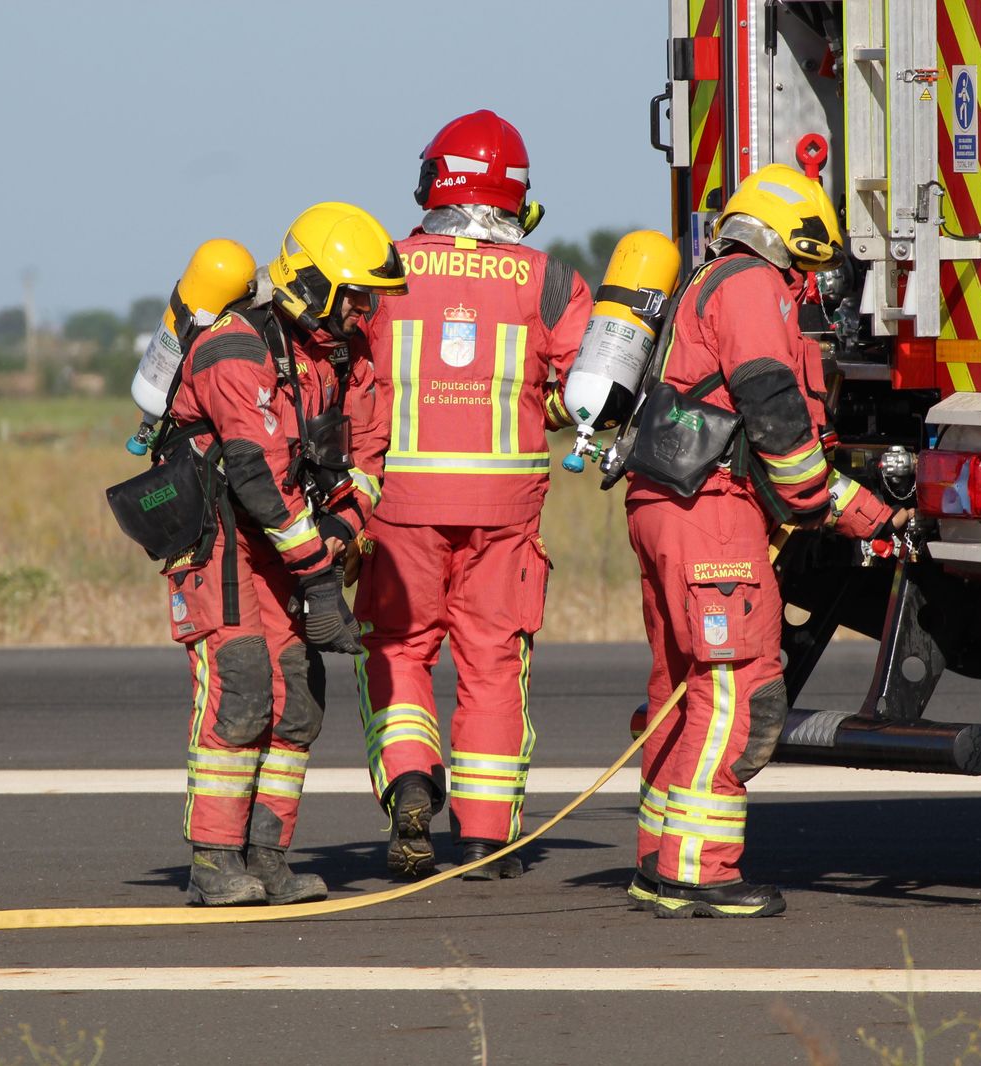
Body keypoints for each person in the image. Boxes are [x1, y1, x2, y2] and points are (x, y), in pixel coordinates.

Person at [623, 164, 908, 918]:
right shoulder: (751, 284)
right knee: (741, 691)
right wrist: (818, 498)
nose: (808, 286)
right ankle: (701, 872)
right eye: (808, 266)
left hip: (671, 503)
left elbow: (769, 447)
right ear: (792, 238)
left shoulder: (704, 280)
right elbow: (774, 408)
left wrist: (869, 516)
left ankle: (659, 860)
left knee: (682, 690)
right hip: (711, 512)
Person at [353, 110, 594, 880]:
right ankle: (487, 840)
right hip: (505, 512)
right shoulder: (550, 279)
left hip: (399, 506)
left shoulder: (382, 265)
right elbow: (585, 393)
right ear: (515, 196)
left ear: (434, 182)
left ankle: (412, 782)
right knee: (494, 665)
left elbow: (346, 377)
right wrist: (537, 409)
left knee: (398, 651)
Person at [165, 202, 403, 905]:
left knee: (297, 697)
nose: (365, 311)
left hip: (289, 548)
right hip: (226, 547)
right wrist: (322, 582)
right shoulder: (234, 350)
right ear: (314, 285)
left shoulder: (336, 355)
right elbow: (259, 479)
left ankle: (267, 855)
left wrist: (346, 529)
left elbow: (368, 457)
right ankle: (214, 861)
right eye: (355, 295)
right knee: (241, 689)